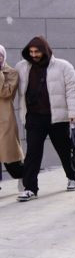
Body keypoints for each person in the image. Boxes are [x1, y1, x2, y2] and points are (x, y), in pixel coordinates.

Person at [14, 36, 75, 202]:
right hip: (34, 117)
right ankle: (30, 188)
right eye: (31, 52)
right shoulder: (22, 67)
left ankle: (72, 177)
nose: (34, 55)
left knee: (64, 150)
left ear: (45, 51)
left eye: (37, 52)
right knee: (33, 154)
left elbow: (72, 90)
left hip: (57, 118)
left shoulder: (63, 66)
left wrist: (74, 114)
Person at [0, 45, 27, 190]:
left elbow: (6, 93)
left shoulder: (11, 73)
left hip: (4, 120)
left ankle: (23, 177)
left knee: (10, 158)